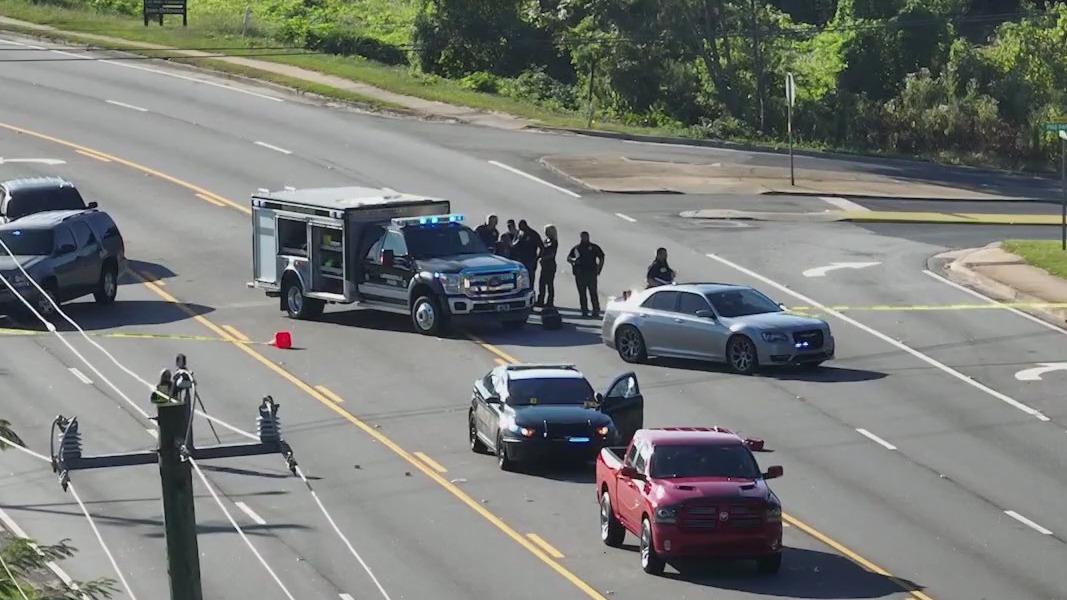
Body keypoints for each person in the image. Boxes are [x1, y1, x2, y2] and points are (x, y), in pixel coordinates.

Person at [566, 231, 605, 318]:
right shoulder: (577, 248)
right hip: (580, 273)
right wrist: (574, 260)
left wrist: (599, 269)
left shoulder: (594, 247)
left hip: (591, 273)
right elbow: (568, 258)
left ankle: (596, 310)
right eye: (583, 237)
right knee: (582, 294)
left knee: (593, 293)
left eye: (586, 236)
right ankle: (584, 310)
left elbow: (602, 257)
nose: (585, 238)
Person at [514, 219, 543, 285]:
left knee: (530, 279)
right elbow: (513, 245)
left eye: (522, 227)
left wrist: (537, 258)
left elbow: (541, 247)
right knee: (520, 279)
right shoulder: (519, 233)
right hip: (520, 260)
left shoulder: (533, 234)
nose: (521, 229)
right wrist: (519, 239)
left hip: (531, 260)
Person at [537, 224, 558, 307]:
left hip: (550, 265)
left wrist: (544, 258)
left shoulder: (554, 242)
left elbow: (552, 254)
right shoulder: (546, 240)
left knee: (549, 283)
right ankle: (540, 300)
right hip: (544, 265)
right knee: (541, 283)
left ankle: (550, 301)